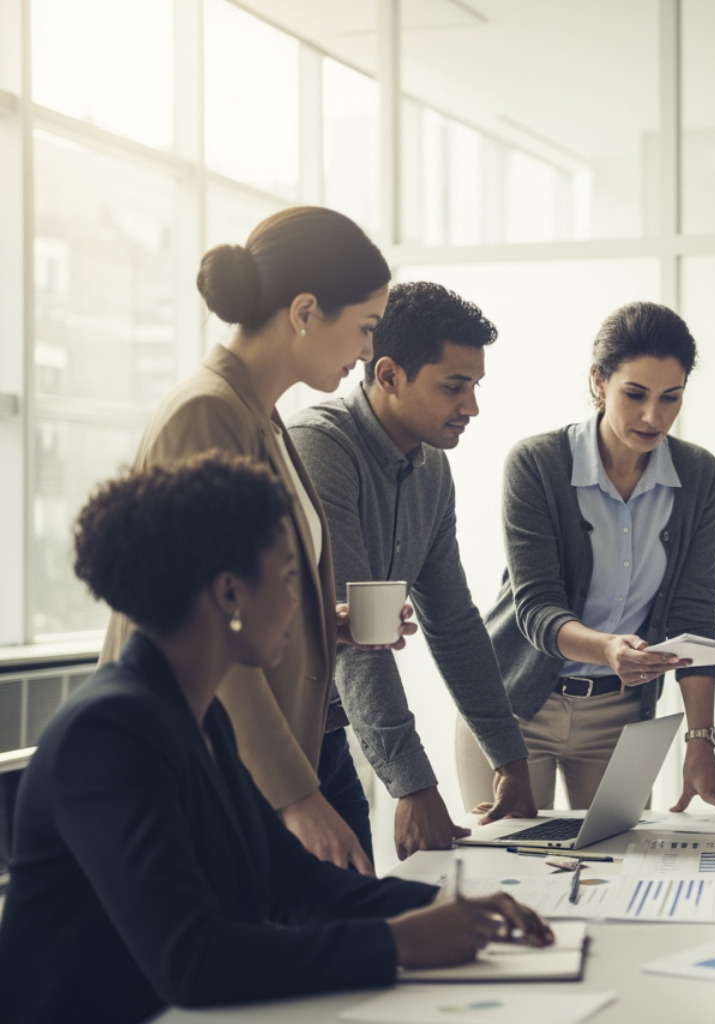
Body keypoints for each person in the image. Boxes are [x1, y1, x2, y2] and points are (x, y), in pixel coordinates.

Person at [0, 454, 552, 1024]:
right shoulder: (108, 735)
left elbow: (292, 880)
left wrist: (445, 908)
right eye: (290, 577)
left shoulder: (199, 715)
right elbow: (192, 960)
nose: (303, 602)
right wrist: (400, 943)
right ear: (230, 594)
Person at [99, 207, 414, 874]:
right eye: (364, 328)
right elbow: (196, 626)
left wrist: (322, 626)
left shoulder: (262, 416)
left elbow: (236, 598)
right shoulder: (207, 413)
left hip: (234, 764)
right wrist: (298, 798)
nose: (365, 350)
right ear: (305, 311)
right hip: (195, 761)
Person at [469, 301, 715, 816]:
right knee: (511, 872)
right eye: (635, 394)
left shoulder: (698, 477)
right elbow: (536, 609)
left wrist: (700, 740)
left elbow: (695, 611)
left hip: (619, 713)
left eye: (671, 398)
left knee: (621, 870)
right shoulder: (536, 464)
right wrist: (608, 647)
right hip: (513, 705)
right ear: (598, 382)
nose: (654, 416)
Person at [290, 282, 536, 862]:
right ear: (390, 374)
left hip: (324, 735)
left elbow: (453, 622)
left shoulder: (430, 470)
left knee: (353, 906)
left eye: (475, 386)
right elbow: (358, 638)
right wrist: (414, 785)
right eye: (454, 386)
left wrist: (509, 756)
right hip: (260, 742)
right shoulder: (318, 446)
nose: (472, 406)